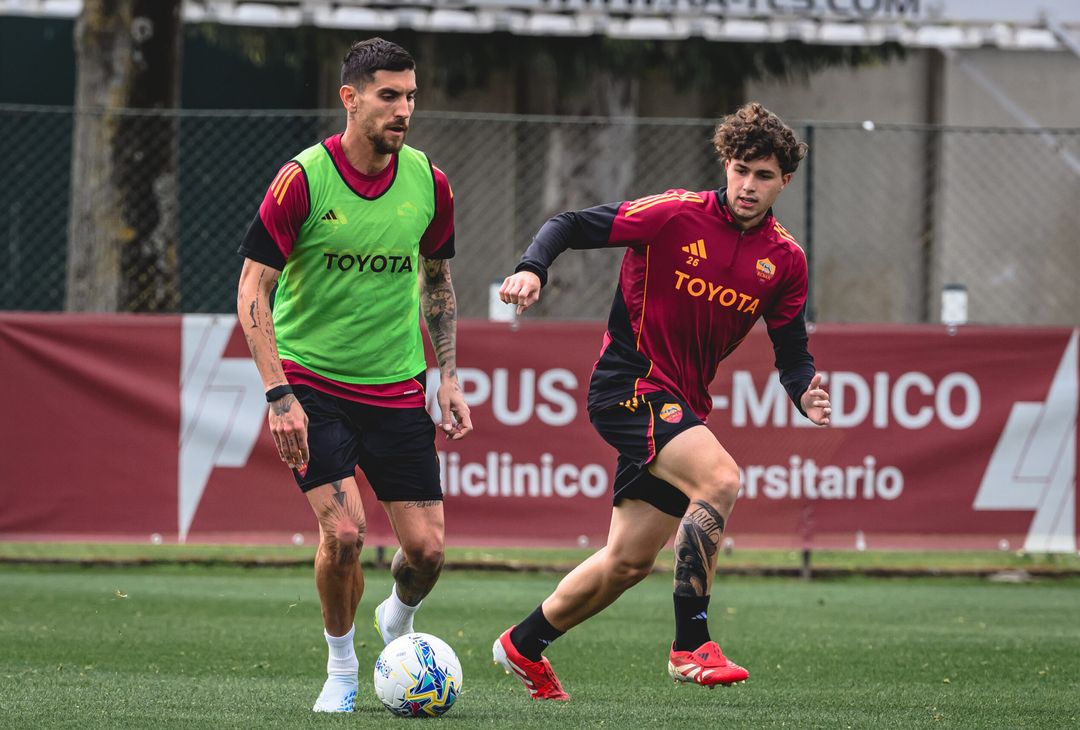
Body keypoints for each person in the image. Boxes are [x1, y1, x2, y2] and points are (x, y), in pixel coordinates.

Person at [494, 103, 831, 700]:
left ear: (785, 182)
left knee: (627, 562)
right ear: (725, 165)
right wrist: (532, 268)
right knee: (721, 480)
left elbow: (792, 349)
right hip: (628, 385)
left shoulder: (785, 260)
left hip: (681, 403)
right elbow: (569, 223)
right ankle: (690, 644)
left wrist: (803, 389)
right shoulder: (675, 214)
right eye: (740, 169)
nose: (748, 185)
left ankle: (523, 644)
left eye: (763, 175)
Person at [236, 37, 472, 713]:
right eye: (389, 96)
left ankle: (395, 622)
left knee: (426, 553)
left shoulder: (431, 182)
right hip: (313, 386)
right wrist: (279, 392)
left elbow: (438, 282)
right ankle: (341, 670)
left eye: (411, 97)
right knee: (343, 534)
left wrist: (447, 376)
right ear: (351, 98)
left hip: (397, 389)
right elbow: (254, 290)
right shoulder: (303, 179)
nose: (404, 110)